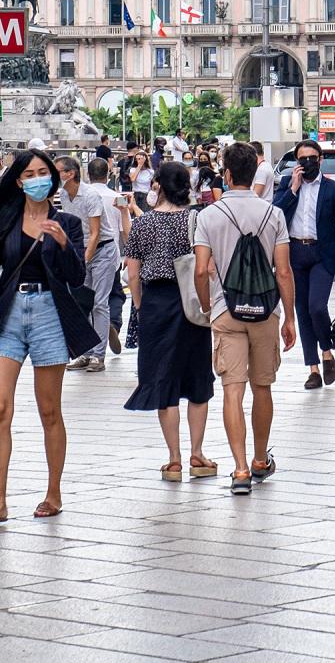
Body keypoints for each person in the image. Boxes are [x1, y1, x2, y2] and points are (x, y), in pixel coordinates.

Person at [0, 151, 98, 522]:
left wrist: (60, 244)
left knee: (49, 410)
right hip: (10, 313)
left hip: (49, 313)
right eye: (30, 173)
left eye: (44, 172)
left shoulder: (68, 223)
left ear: (54, 180)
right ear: (19, 181)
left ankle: (53, 493)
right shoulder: (6, 221)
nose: (38, 178)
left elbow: (76, 276)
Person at [193, 142, 296, 496]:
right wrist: (289, 318)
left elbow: (202, 269)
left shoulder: (207, 216)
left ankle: (238, 470)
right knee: (262, 387)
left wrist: (208, 308)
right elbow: (283, 271)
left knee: (232, 390)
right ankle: (259, 459)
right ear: (255, 173)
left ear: (228, 174)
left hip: (226, 310)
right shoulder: (275, 215)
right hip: (266, 311)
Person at [125, 160, 216, 481]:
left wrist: (140, 306)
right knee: (197, 378)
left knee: (163, 378)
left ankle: (174, 459)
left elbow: (133, 273)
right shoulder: (197, 219)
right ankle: (197, 453)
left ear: (157, 185)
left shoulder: (143, 224)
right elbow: (207, 265)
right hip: (192, 302)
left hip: (155, 303)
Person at [273, 138, 335, 390]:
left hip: (322, 254)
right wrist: (292, 189)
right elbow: (275, 214)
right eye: (301, 159)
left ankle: (327, 351)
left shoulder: (333, 189)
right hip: (295, 252)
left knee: (317, 307)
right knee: (302, 312)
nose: (307, 164)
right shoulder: (287, 184)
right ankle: (313, 368)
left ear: (320, 160)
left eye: (311, 159)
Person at [59, 155, 125, 371]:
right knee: (82, 303)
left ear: (71, 173)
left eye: (58, 171)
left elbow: (96, 233)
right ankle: (85, 352)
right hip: (82, 251)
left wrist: (83, 261)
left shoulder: (90, 195)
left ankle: (98, 355)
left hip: (102, 251)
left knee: (99, 302)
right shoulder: (64, 195)